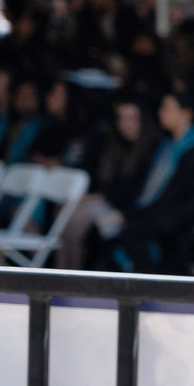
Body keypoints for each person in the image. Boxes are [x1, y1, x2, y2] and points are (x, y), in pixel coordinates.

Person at [104, 91, 194, 274]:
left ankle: (147, 283)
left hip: (174, 219)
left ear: (186, 113)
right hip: (155, 211)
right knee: (103, 231)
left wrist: (148, 217)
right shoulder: (165, 145)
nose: (161, 112)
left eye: (168, 108)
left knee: (128, 234)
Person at [59, 97, 158, 270]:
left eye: (131, 119)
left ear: (143, 120)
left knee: (77, 219)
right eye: (121, 118)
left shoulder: (151, 150)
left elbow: (136, 193)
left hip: (129, 212)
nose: (125, 124)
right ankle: (61, 273)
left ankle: (72, 275)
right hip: (109, 203)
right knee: (65, 212)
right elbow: (106, 183)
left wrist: (103, 200)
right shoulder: (115, 145)